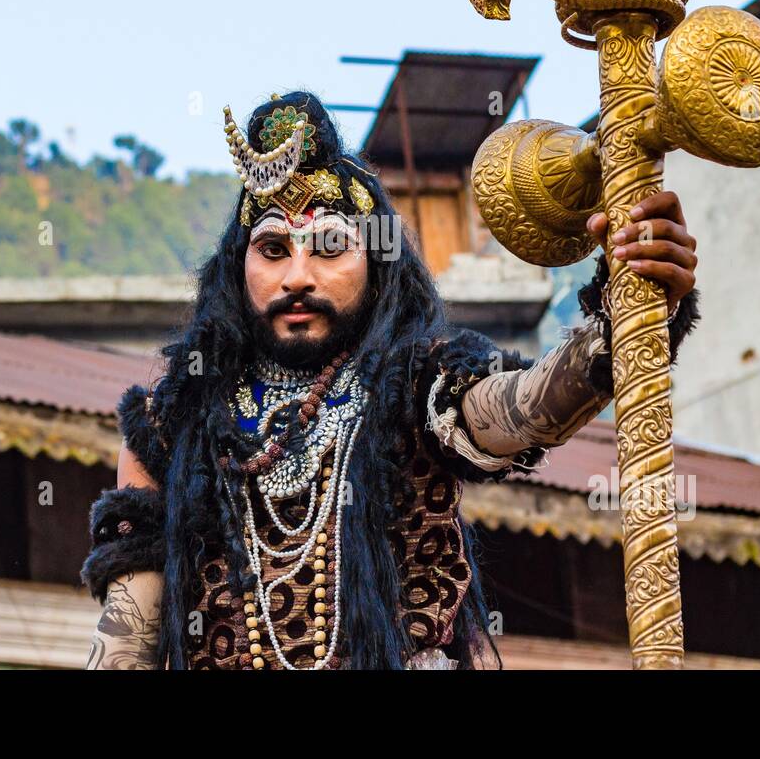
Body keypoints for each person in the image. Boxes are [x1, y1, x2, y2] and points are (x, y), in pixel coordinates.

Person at [81, 92, 700, 670]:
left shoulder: (417, 383)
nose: (297, 276)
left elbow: (531, 405)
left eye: (328, 246)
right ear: (237, 268)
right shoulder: (170, 426)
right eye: (273, 249)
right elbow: (126, 642)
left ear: (376, 267)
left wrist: (632, 309)